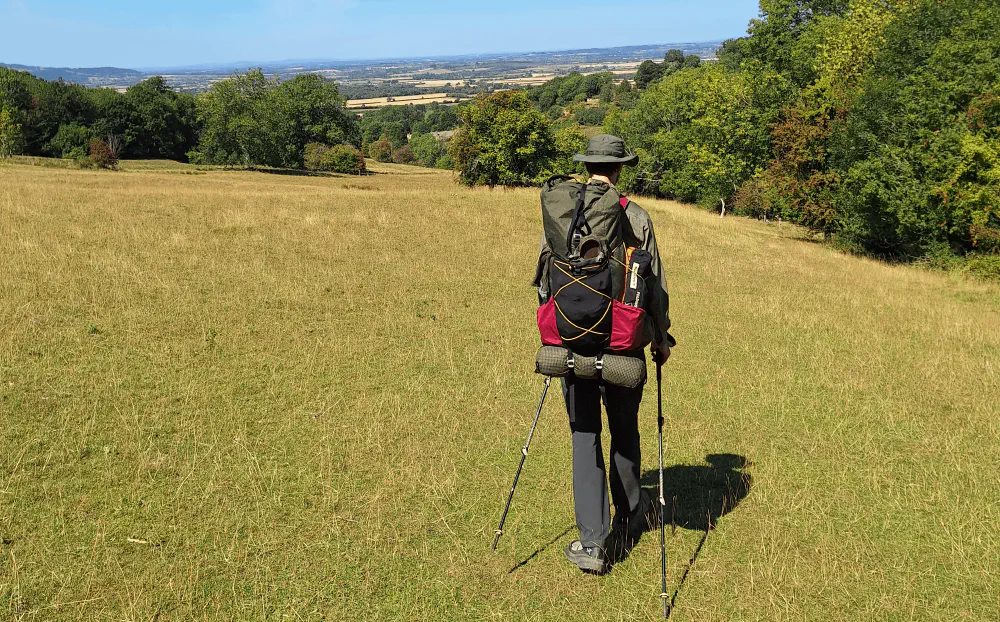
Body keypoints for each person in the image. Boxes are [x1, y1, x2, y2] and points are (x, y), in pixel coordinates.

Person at [532, 134, 675, 573]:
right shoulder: (636, 216)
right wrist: (661, 337)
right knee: (625, 430)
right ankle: (633, 514)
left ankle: (592, 543)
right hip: (623, 345)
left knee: (584, 436)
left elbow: (543, 281)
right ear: (619, 169)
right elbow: (655, 286)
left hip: (572, 345)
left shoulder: (563, 216)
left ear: (587, 165)